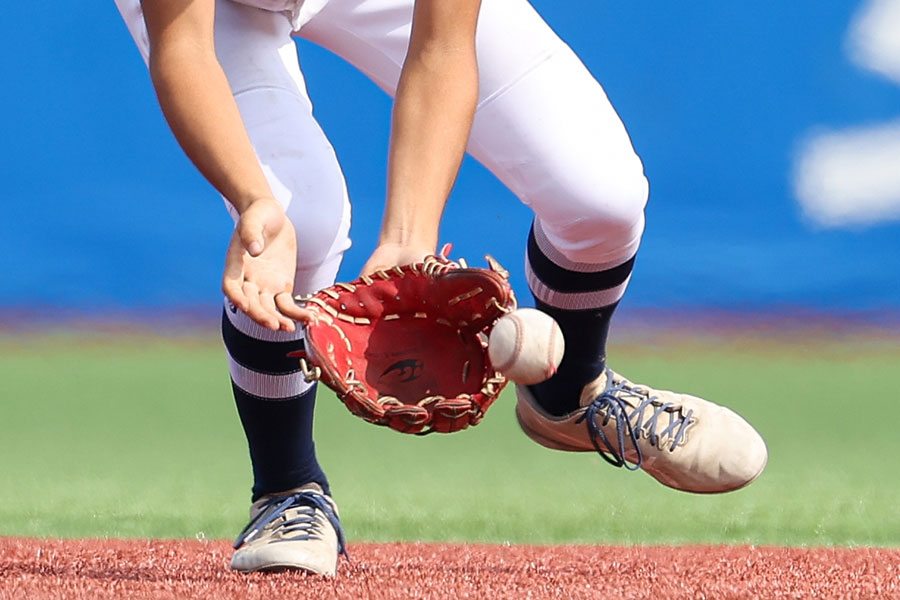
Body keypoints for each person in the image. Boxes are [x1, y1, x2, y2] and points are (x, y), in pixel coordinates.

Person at [114, 0, 768, 577]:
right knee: (298, 222)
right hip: (214, 14)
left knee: (600, 193)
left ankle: (569, 396)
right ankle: (287, 491)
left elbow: (443, 45)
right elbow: (183, 47)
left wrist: (407, 239)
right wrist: (253, 199)